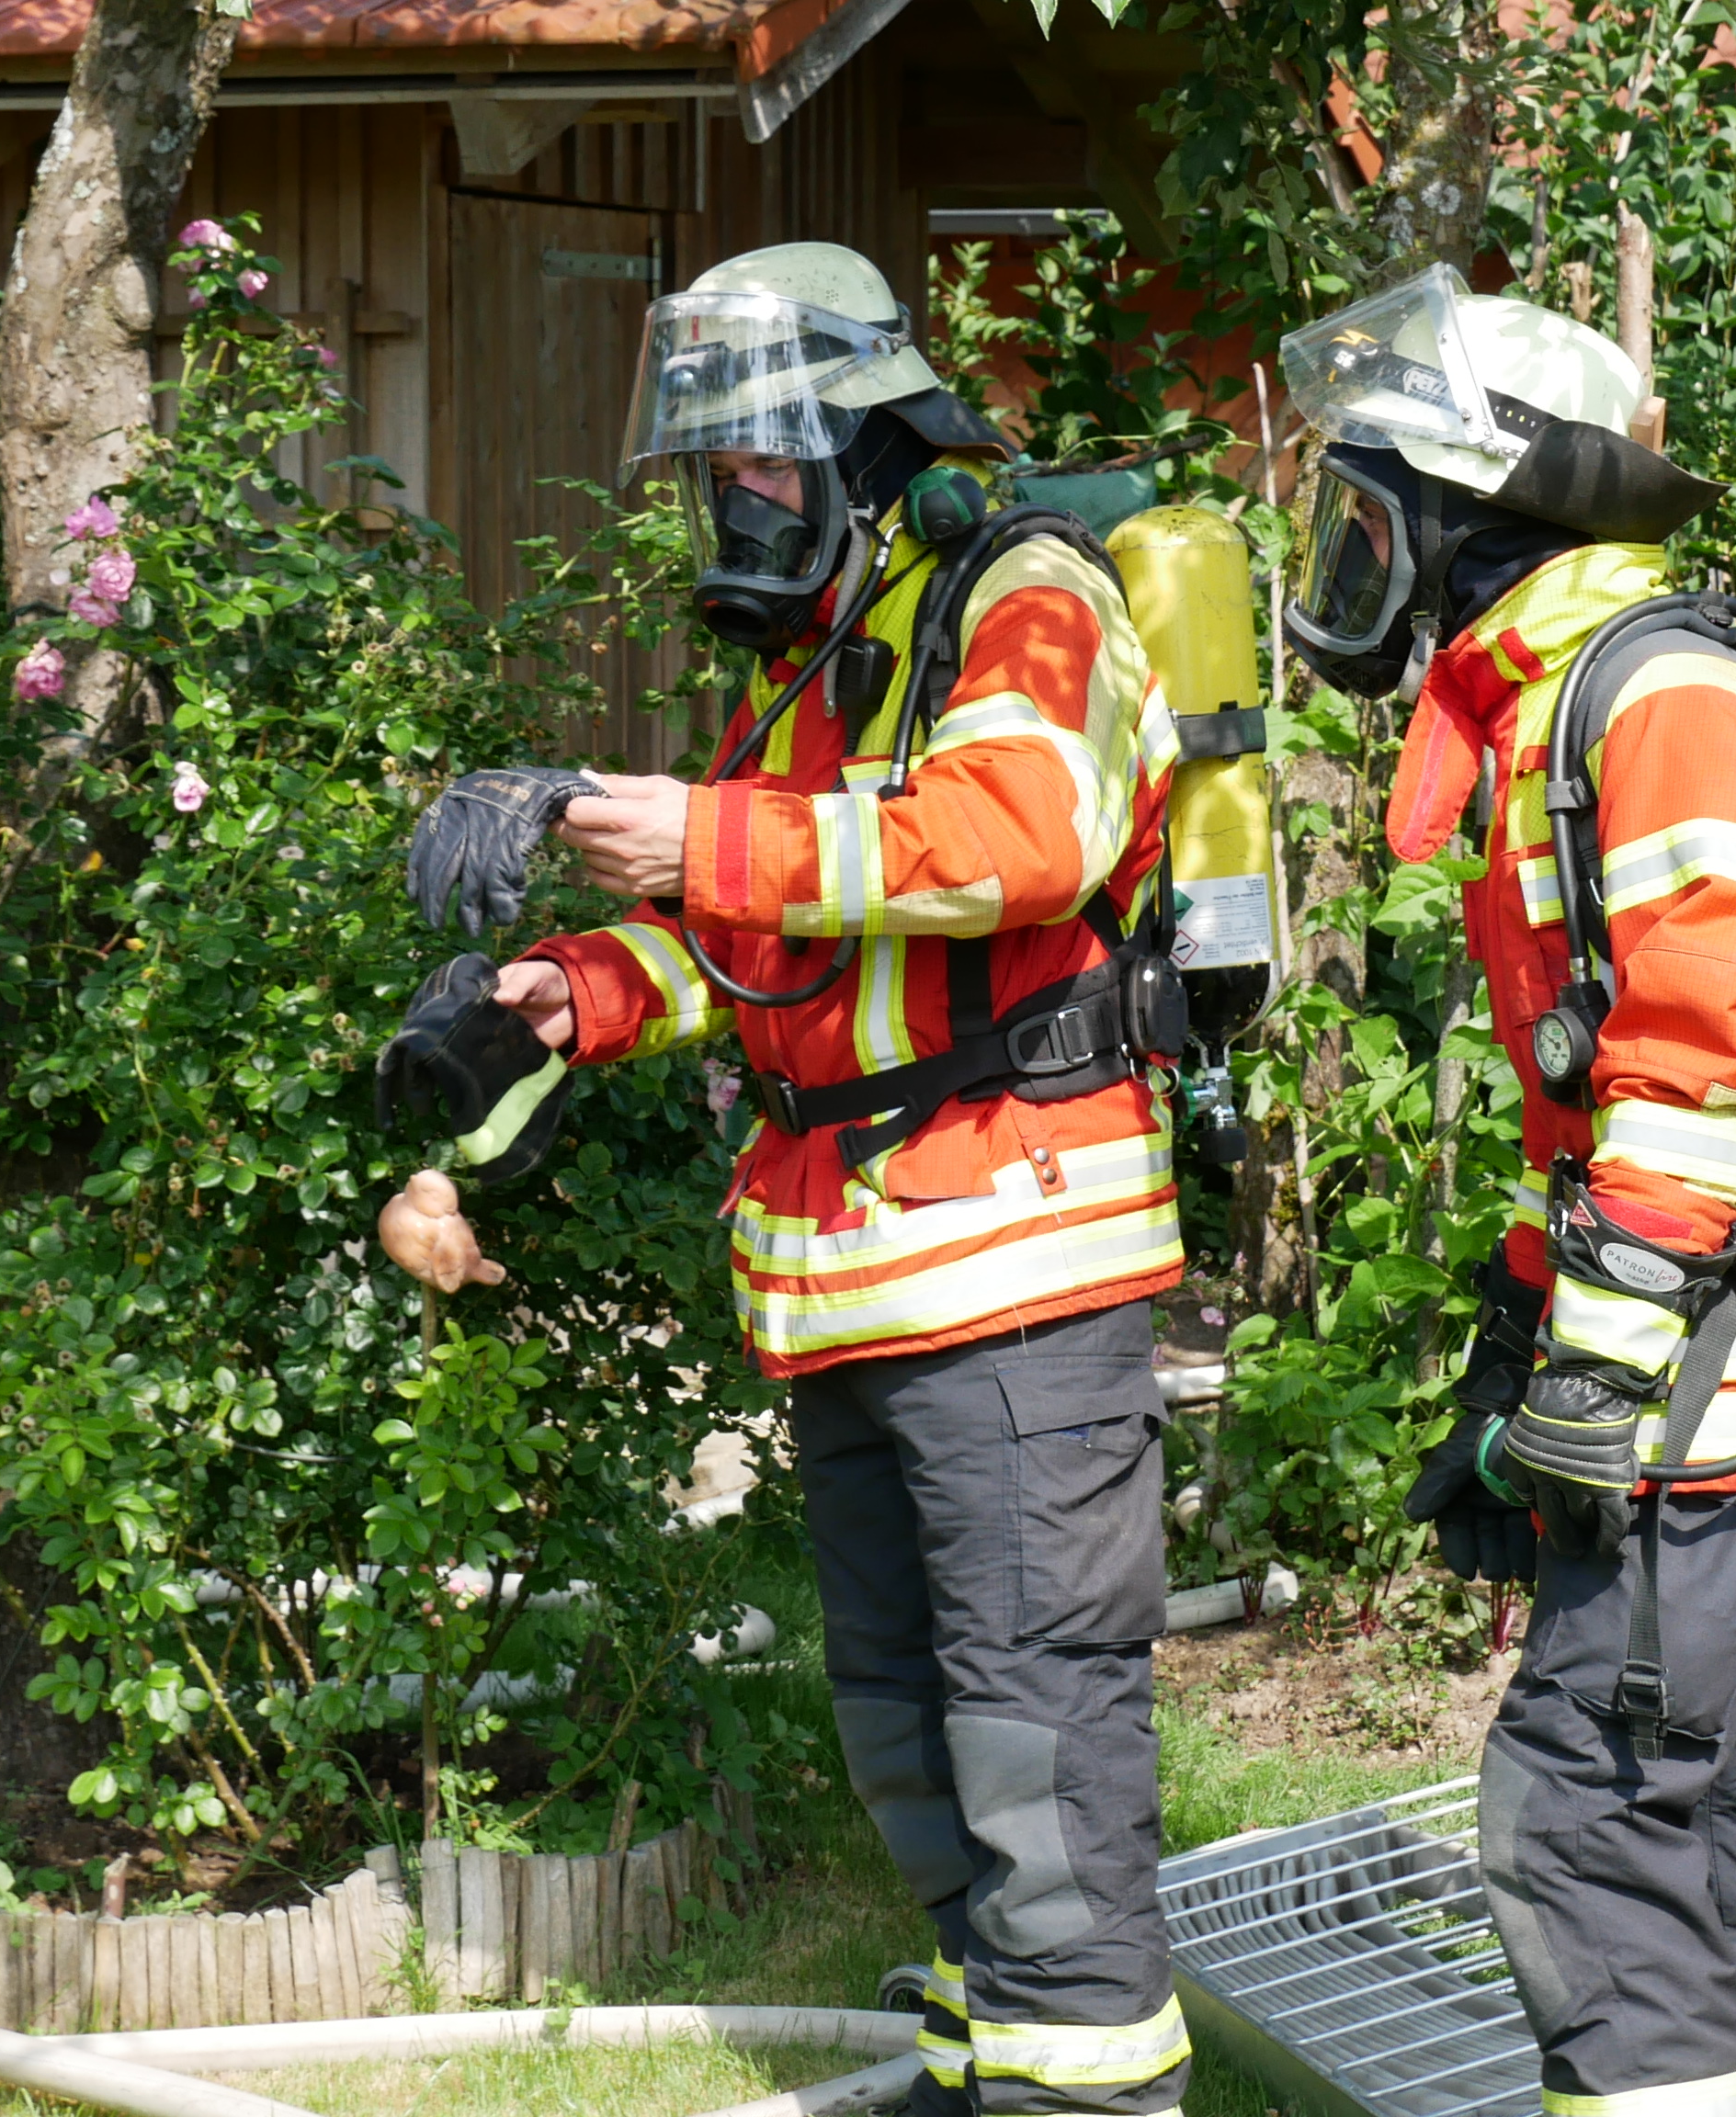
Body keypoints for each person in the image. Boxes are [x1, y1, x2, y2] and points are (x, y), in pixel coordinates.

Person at [377, 243, 1193, 2117]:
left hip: (1015, 1269)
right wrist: (560, 992)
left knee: (1033, 1731)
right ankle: (993, 2059)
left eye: (755, 464)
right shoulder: (832, 659)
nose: (728, 504)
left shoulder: (1024, 598)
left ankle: (1087, 2092)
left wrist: (668, 824)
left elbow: (1019, 836)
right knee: (914, 1730)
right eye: (713, 472)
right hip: (855, 1288)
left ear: (861, 434)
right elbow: (775, 947)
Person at [1276, 268, 1736, 2117]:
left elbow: (1693, 1052)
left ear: (1480, 510)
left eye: (1377, 504)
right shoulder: (1582, 689)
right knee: (1729, 1820)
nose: (1356, 548)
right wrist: (1527, 1342)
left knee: (1576, 1819)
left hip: (1721, 1364)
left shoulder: (1642, 698)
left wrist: (1594, 1371)